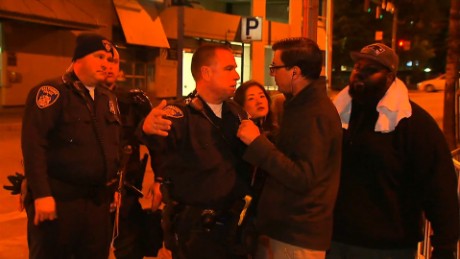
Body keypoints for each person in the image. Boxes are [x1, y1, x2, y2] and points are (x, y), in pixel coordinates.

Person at [329, 43, 459, 259]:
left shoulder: (414, 124)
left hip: (389, 249)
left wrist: (445, 246)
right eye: (357, 67)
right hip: (337, 241)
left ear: (390, 77)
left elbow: (439, 188)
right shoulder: (340, 115)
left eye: (370, 70)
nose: (359, 74)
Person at [141, 44, 252, 259]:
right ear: (206, 73)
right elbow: (157, 140)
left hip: (234, 225)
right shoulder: (181, 114)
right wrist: (146, 128)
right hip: (196, 229)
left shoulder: (236, 112)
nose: (237, 75)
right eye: (229, 69)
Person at [237, 37, 343, 259]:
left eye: (275, 67)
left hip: (297, 236)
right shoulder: (297, 105)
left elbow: (303, 176)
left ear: (294, 72)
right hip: (286, 231)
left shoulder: (315, 113)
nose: (272, 73)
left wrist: (258, 144)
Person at [21, 33, 121, 259]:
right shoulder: (52, 92)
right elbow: (33, 145)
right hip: (59, 202)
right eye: (99, 57)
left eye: (109, 59)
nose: (106, 64)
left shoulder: (108, 98)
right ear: (79, 59)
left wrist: (114, 188)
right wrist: (41, 194)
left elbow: (114, 146)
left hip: (97, 203)